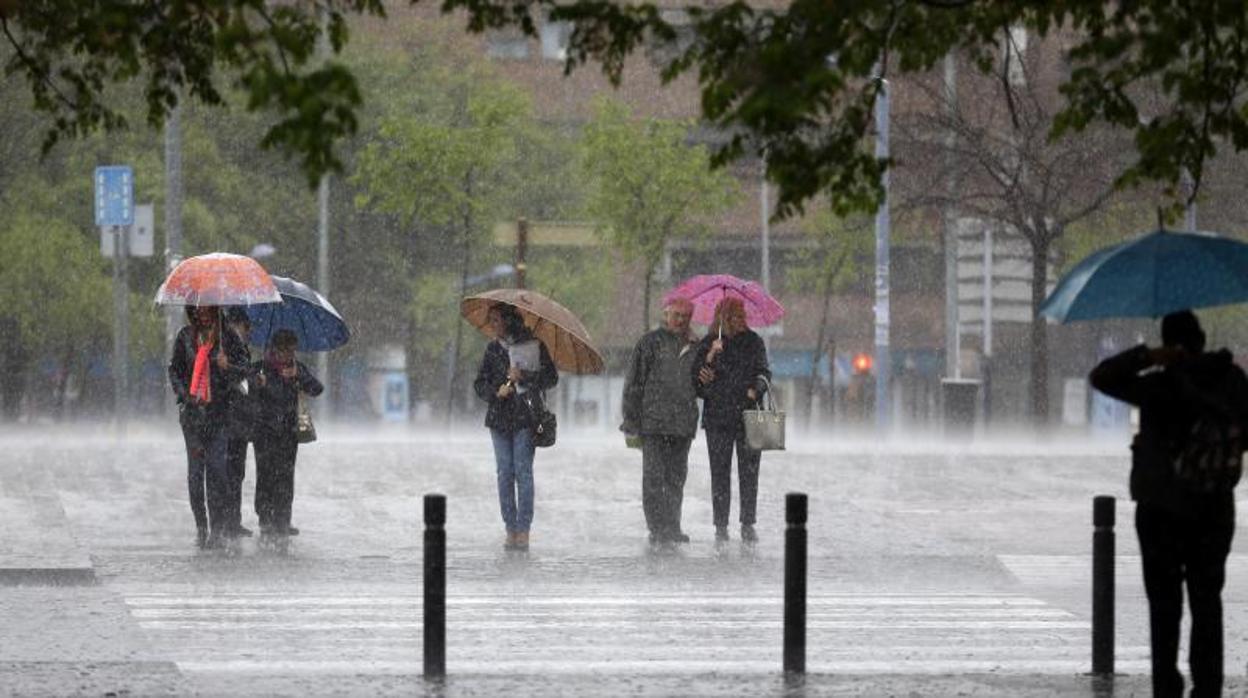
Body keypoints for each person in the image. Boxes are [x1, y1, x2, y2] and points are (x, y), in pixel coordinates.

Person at [1090, 310, 1247, 697]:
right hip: (1213, 507)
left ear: (1169, 343)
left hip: (1160, 509)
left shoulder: (1159, 386)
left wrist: (1149, 357)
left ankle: (1167, 685)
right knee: (1207, 600)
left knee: (1164, 604)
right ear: (1202, 339)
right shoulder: (1232, 381)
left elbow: (1102, 377)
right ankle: (1208, 686)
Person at [473, 303, 558, 552]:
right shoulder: (492, 349)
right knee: (504, 473)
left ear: (509, 321)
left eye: (497, 320)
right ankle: (510, 528)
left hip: (525, 417)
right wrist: (495, 391)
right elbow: (479, 383)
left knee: (523, 472)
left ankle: (523, 530)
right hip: (499, 419)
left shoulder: (534, 346)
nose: (493, 325)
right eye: (491, 321)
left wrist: (526, 377)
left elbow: (551, 378)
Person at [168, 305, 249, 548]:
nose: (202, 313)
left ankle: (217, 528)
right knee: (196, 476)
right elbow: (174, 372)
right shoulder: (185, 337)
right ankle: (201, 526)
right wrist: (185, 395)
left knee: (218, 472)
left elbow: (245, 371)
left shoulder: (228, 338)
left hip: (220, 415)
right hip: (193, 418)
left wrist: (228, 367)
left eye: (208, 308)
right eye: (198, 309)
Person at [692, 296, 772, 544]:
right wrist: (709, 357)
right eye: (735, 316)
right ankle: (721, 526)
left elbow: (764, 372)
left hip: (748, 415)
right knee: (720, 473)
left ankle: (748, 523)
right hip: (718, 418)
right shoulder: (709, 342)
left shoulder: (754, 341)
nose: (741, 321)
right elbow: (697, 382)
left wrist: (756, 389)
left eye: (742, 316)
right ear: (723, 317)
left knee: (749, 473)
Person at [621, 296, 700, 545]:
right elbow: (634, 382)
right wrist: (631, 420)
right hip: (653, 423)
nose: (679, 321)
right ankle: (657, 528)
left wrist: (712, 361)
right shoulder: (650, 343)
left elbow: (702, 384)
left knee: (676, 478)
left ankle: (673, 526)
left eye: (684, 316)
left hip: (683, 424)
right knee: (654, 477)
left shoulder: (697, 346)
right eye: (675, 315)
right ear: (666, 315)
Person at [251, 329, 323, 539]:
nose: (289, 355)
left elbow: (318, 388)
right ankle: (265, 519)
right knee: (265, 477)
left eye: (292, 350)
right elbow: (244, 387)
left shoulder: (297, 368)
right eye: (285, 351)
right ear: (275, 349)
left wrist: (298, 376)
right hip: (264, 434)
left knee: (285, 478)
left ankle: (283, 520)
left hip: (288, 435)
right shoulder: (261, 368)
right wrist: (259, 383)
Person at [223, 307, 256, 538]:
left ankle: (233, 520)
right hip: (230, 417)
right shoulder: (226, 343)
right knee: (230, 471)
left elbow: (242, 375)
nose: (249, 332)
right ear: (237, 324)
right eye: (246, 326)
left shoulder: (235, 345)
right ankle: (228, 521)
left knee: (236, 471)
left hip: (239, 417)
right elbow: (235, 374)